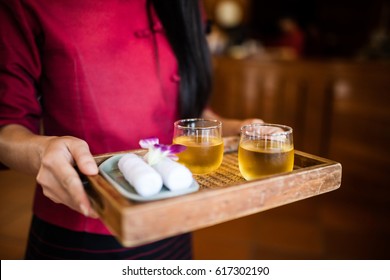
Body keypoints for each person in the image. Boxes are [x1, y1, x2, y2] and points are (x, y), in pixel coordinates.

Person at [0, 0, 261, 259]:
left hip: (176, 212)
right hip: (86, 227)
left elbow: (190, 112)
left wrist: (236, 128)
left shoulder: (185, 5)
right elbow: (7, 127)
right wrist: (42, 152)